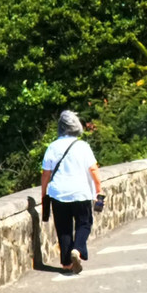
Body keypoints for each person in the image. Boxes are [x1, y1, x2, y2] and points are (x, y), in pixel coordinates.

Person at [41, 110, 102, 274]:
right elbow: (93, 169)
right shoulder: (83, 146)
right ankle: (78, 249)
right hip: (80, 192)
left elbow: (46, 174)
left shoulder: (52, 147)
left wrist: (44, 193)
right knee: (84, 223)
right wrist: (99, 190)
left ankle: (67, 264)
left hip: (58, 193)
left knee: (64, 228)